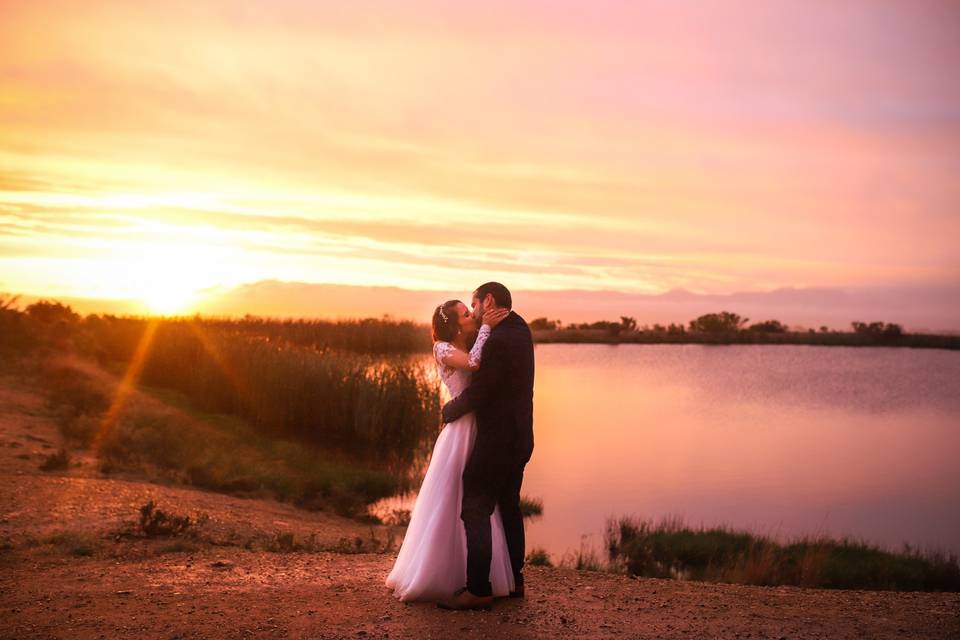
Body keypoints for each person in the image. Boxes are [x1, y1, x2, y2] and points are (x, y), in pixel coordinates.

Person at [385, 297, 514, 602]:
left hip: (476, 426)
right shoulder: (442, 348)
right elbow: (473, 364)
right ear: (454, 324)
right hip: (461, 430)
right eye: (467, 314)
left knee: (473, 499)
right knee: (452, 495)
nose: (472, 316)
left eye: (472, 312)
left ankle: (473, 575)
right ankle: (439, 573)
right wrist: (485, 328)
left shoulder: (465, 344)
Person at [437, 282, 535, 611]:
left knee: (475, 506)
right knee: (508, 503)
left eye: (474, 305)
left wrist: (450, 410)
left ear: (488, 301)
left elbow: (482, 392)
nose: (474, 313)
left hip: (497, 440)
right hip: (521, 437)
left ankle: (478, 588)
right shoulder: (521, 329)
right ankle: (515, 580)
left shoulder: (497, 340)